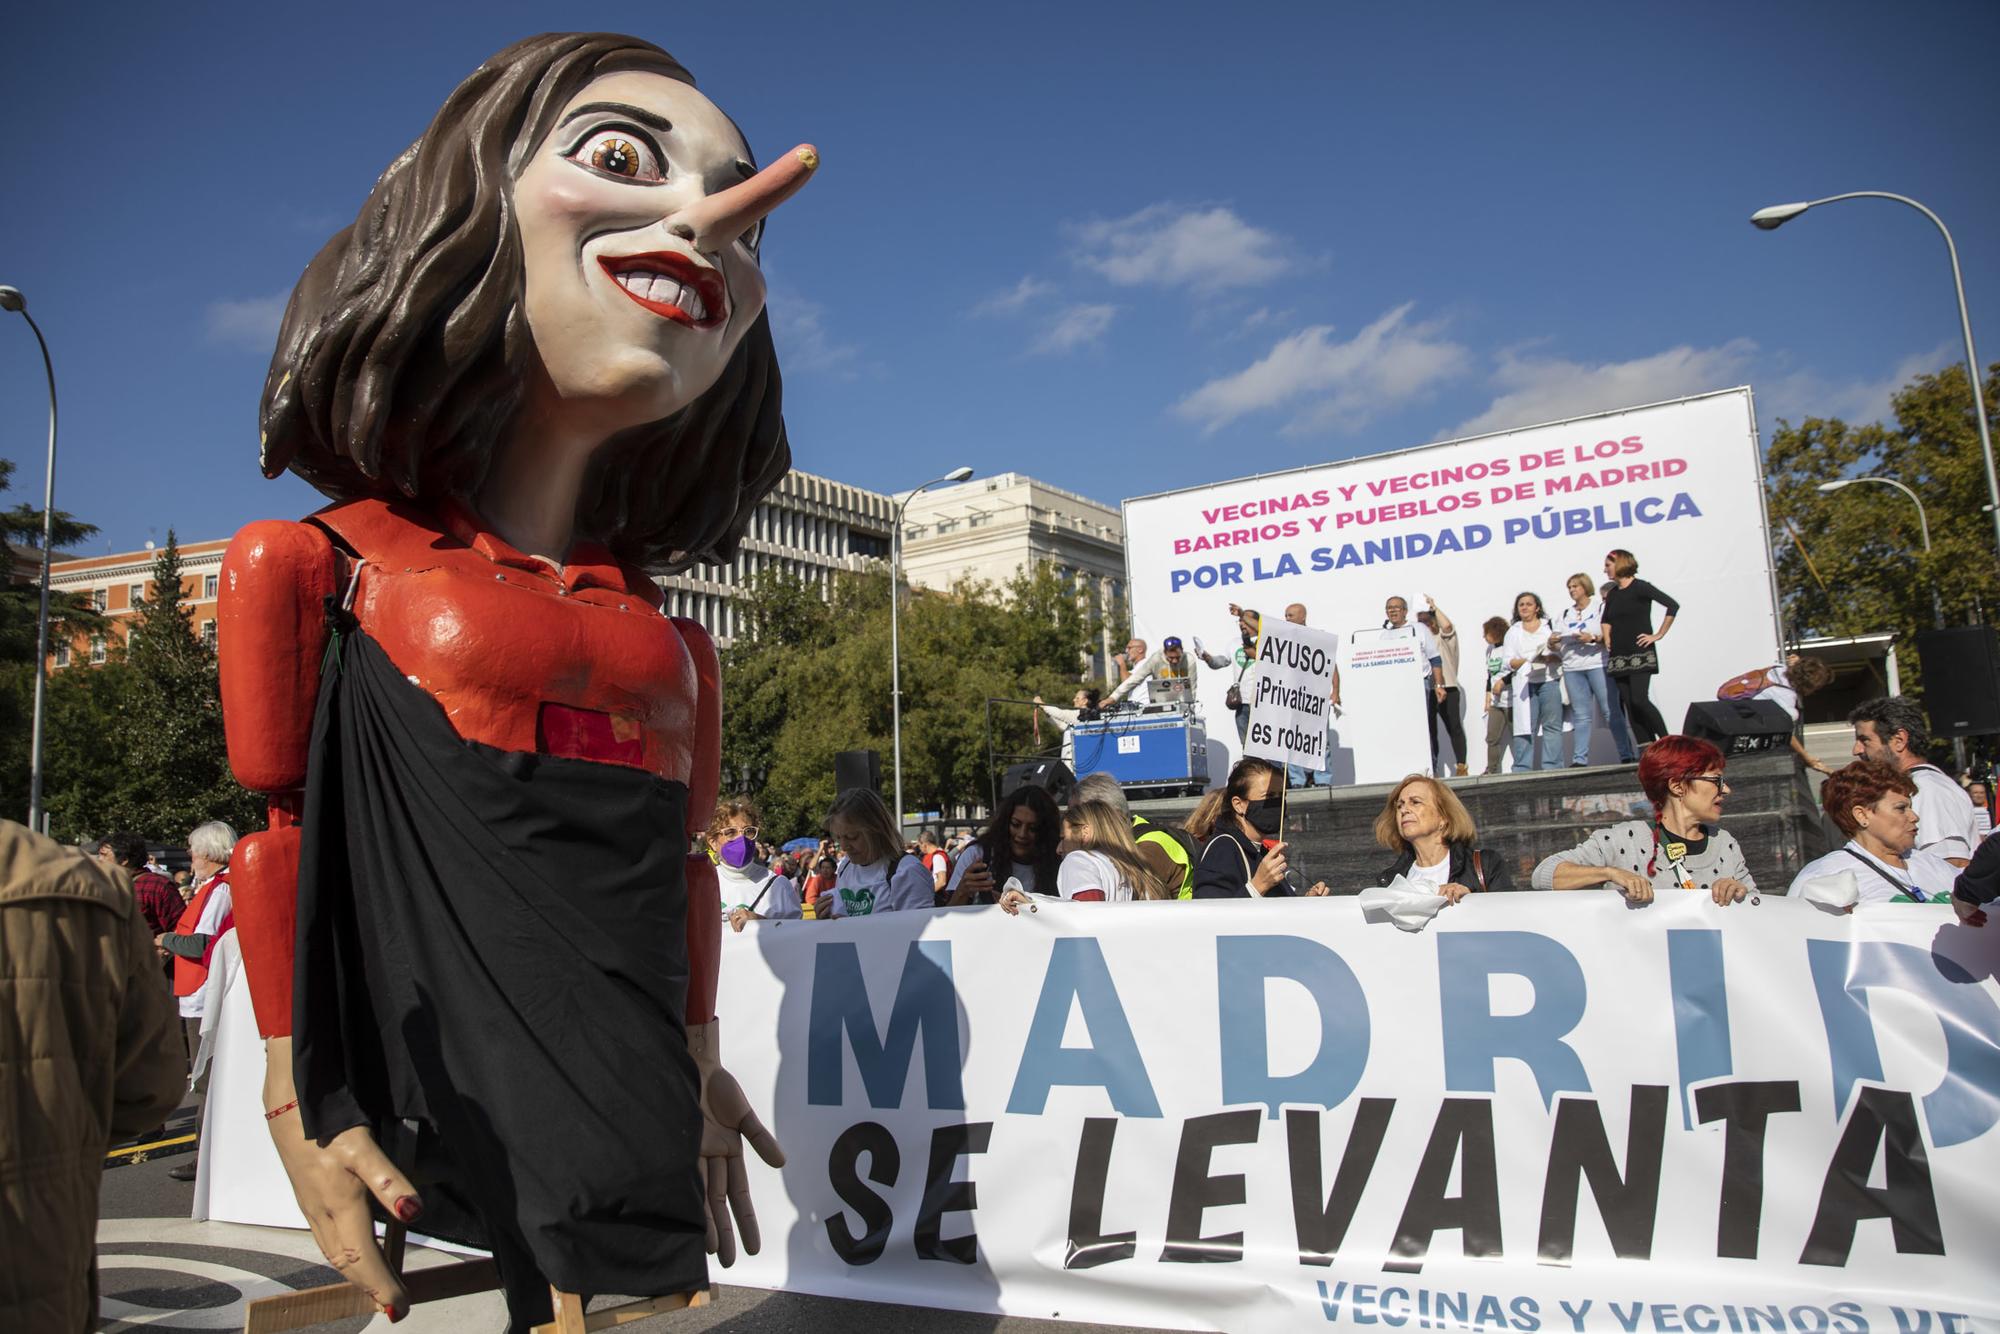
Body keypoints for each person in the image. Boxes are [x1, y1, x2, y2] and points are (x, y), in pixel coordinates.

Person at [213, 34, 804, 1327]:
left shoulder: (675, 643)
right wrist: (297, 1086)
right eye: (620, 159)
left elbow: (681, 864)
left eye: (742, 200)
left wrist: (694, 1051)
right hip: (440, 1074)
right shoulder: (316, 568)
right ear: (461, 203)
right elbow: (283, 845)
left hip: (627, 1081)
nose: (713, 224)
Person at [0, 821, 185, 1331]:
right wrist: (54, 1143)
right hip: (34, 1255)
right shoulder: (85, 888)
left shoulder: (121, 887)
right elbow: (150, 1090)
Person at [1531, 735, 1754, 906]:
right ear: (1677, 786)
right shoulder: (1624, 840)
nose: (1726, 789)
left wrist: (1739, 893)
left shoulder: (1725, 844)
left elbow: (1759, 910)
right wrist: (1610, 873)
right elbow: (1543, 875)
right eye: (1716, 780)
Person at [155, 820, 237, 1181]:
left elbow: (203, 944)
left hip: (203, 995)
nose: (189, 854)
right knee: (204, 1079)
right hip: (195, 993)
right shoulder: (213, 888)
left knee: (206, 1080)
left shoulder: (219, 891)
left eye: (193, 848)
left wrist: (165, 940)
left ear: (208, 852)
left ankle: (205, 1159)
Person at [1788, 760, 1959, 904]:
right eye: (1901, 808)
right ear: (1862, 815)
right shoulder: (1822, 876)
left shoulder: (1936, 866)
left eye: (1911, 807)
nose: (1914, 817)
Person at [1848, 696, 1977, 866]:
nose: (1856, 750)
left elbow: (1952, 865)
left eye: (1865, 740)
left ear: (1899, 740)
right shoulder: (1918, 785)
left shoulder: (1926, 789)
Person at [1185, 757, 1326, 898]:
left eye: (1281, 795)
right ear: (1239, 804)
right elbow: (1210, 915)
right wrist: (1257, 886)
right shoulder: (1222, 848)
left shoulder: (1261, 850)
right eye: (1269, 795)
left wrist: (1307, 903)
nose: (1278, 803)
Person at [1004, 799, 1173, 909]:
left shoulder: (1080, 860)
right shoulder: (1132, 868)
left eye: (1064, 838)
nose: (1059, 849)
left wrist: (1031, 905)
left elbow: (1086, 915)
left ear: (1085, 832)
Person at [1371, 775, 1514, 900]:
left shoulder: (1486, 864)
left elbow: (1510, 915)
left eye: (1415, 802)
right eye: (1400, 805)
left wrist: (1471, 899)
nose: (1404, 810)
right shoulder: (1390, 881)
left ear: (1443, 817)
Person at [1600, 548, 1679, 747]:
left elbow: (1672, 605)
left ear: (1619, 564)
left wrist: (1658, 634)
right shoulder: (1613, 594)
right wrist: (1607, 636)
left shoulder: (1641, 587)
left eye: (1608, 566)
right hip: (1619, 654)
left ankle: (1667, 740)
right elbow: (1606, 619)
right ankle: (1646, 746)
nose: (1605, 570)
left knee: (1639, 699)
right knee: (1629, 704)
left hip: (1640, 652)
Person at [1071, 771, 1191, 897]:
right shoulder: (1132, 839)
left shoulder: (1149, 848)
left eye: (1077, 818)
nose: (1070, 822)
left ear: (1112, 814)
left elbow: (1128, 904)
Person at [818, 789, 934, 918]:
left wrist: (852, 928)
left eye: (852, 836)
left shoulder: (907, 871)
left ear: (876, 830)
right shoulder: (846, 866)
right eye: (838, 838)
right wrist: (826, 918)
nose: (844, 846)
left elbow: (918, 931)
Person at [1556, 573, 1632, 766]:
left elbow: (1609, 632)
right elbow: (1557, 638)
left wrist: (1592, 638)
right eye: (1570, 587)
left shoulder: (1600, 607)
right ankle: (1579, 759)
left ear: (1585, 587)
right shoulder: (1565, 613)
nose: (1572, 590)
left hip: (1598, 663)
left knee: (1610, 710)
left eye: (1576, 586)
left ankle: (1626, 753)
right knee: (1581, 714)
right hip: (1572, 666)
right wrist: (1553, 641)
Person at [944, 785, 1064, 904]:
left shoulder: (1059, 862)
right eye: (1016, 824)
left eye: (1033, 828)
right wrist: (962, 891)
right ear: (1005, 823)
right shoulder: (977, 855)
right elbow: (948, 917)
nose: (1022, 834)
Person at [1718, 653, 1835, 774]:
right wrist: (1805, 756)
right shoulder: (1785, 700)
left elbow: (1796, 670)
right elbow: (1787, 733)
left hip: (1725, 714)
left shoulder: (1777, 669)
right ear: (1810, 687)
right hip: (1739, 742)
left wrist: (1798, 663)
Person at [717, 799, 800, 932]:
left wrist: (761, 923)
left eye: (748, 831)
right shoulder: (700, 885)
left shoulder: (778, 885)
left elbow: (797, 938)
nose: (741, 839)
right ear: (713, 841)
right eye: (731, 832)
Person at [1502, 592, 1563, 771]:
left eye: (1529, 604)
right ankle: (1522, 767)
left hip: (1549, 680)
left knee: (1552, 725)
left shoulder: (1548, 628)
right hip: (1525, 684)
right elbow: (1508, 661)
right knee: (1525, 726)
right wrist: (1528, 660)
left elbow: (1561, 653)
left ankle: (1552, 766)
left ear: (1537, 607)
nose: (1525, 607)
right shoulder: (1513, 631)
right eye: (1521, 604)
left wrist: (1549, 657)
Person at [1415, 597, 1468, 777]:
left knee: (1454, 727)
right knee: (1430, 731)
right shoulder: (1418, 639)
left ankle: (1461, 766)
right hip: (1426, 689)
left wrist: (1434, 608)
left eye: (1426, 619)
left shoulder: (1442, 637)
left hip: (1449, 686)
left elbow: (1447, 627)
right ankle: (1433, 769)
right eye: (1419, 620)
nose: (1422, 623)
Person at [1109, 635, 1203, 709]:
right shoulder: (1156, 659)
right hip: (1161, 705)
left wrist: (1191, 709)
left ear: (1182, 651)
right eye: (1171, 658)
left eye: (1177, 657)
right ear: (1165, 653)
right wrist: (1113, 697)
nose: (1174, 661)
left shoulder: (1189, 660)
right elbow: (1134, 679)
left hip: (1181, 703)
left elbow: (1192, 688)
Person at [1033, 688, 1101, 768]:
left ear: (1085, 701)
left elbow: (1061, 714)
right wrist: (1045, 711)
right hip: (1070, 762)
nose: (1074, 700)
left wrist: (1042, 704)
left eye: (1077, 698)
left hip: (1074, 762)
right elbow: (1063, 726)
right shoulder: (1079, 717)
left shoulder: (1082, 714)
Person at [1479, 616, 1513, 776]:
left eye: (1486, 633)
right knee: (1492, 737)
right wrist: (1487, 698)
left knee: (1517, 735)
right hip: (1496, 702)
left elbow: (1516, 670)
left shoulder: (1509, 646)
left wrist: (1504, 682)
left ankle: (1521, 766)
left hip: (1512, 699)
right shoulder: (1491, 650)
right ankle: (1491, 769)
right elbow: (1489, 676)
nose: (1484, 637)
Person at [1111, 637, 1150, 704]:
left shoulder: (1145, 664)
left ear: (1140, 649)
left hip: (1144, 706)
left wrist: (1122, 664)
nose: (1126, 651)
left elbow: (1126, 682)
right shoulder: (1137, 667)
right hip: (1137, 706)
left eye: (1129, 648)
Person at [916, 826, 952, 899]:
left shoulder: (937, 857)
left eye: (919, 846)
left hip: (938, 897)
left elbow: (942, 882)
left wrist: (925, 895)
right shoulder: (936, 855)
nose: (919, 848)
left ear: (924, 845)